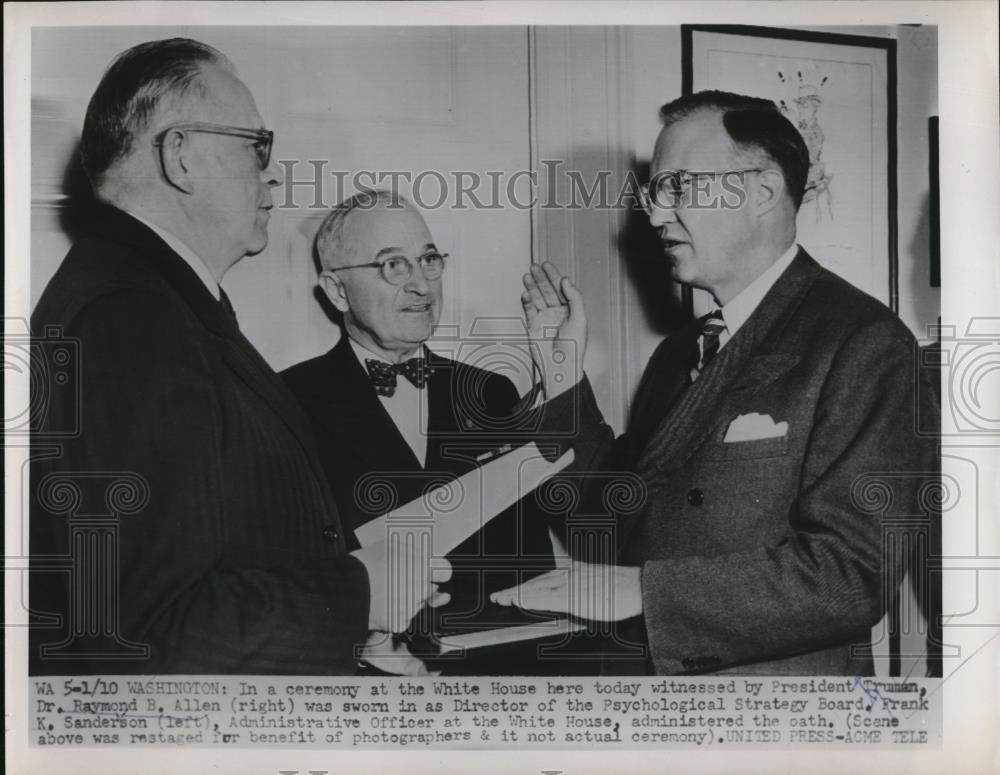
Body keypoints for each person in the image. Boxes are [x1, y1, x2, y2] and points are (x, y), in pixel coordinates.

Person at [29, 38, 446, 676]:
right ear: (181, 157)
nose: (273, 172)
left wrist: (349, 639)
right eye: (257, 147)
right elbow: (147, 635)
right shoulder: (129, 319)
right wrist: (361, 595)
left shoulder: (152, 299)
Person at [493, 90, 939, 675]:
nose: (655, 214)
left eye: (677, 187)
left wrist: (645, 593)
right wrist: (560, 373)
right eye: (655, 192)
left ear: (762, 191)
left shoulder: (866, 344)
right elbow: (604, 523)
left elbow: (851, 576)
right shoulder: (678, 353)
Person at [281, 191, 561, 673]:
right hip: (359, 688)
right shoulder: (286, 401)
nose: (421, 285)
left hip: (494, 678)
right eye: (393, 265)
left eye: (428, 259)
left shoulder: (490, 390)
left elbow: (530, 561)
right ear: (337, 290)